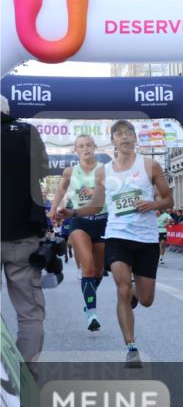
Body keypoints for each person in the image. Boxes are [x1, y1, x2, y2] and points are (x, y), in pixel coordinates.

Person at [62, 120, 174, 367]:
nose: (124, 138)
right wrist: (71, 213)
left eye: (128, 133)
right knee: (121, 287)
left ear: (135, 138)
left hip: (145, 239)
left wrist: (153, 204)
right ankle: (131, 348)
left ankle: (135, 294)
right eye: (119, 134)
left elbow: (169, 201)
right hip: (117, 236)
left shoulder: (150, 165)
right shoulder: (104, 172)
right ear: (113, 141)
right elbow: (95, 205)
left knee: (146, 300)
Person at [1, 96, 50, 362]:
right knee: (29, 312)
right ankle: (24, 379)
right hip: (23, 234)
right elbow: (42, 169)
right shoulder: (27, 132)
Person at [48, 135, 108, 331]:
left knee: (99, 271)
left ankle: (87, 300)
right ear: (76, 150)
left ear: (95, 147)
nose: (85, 149)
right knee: (88, 268)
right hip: (80, 222)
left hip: (103, 221)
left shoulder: (105, 170)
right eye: (81, 146)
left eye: (89, 145)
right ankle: (92, 313)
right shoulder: (69, 171)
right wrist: (53, 209)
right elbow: (60, 190)